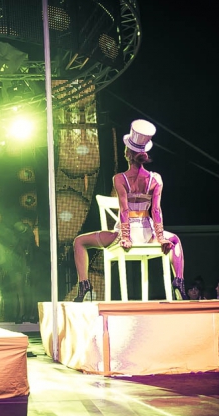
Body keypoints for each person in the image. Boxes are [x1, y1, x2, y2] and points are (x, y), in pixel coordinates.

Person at [69, 119, 186, 302]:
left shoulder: (120, 178)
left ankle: (84, 284)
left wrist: (125, 237)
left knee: (79, 241)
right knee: (176, 240)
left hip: (126, 234)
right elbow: (156, 210)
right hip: (148, 234)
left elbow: (124, 211)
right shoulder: (155, 178)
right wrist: (161, 237)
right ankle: (179, 280)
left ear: (127, 154)